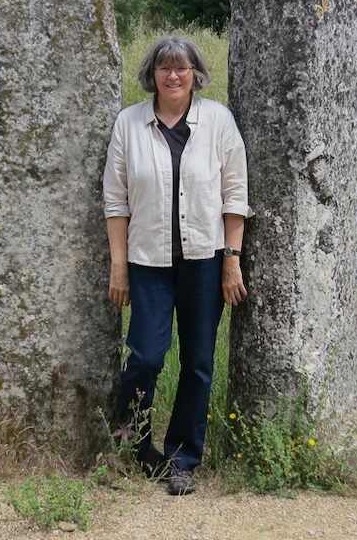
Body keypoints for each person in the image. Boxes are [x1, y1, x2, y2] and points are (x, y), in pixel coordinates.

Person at [102, 35, 252, 496]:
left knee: (199, 361)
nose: (173, 76)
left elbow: (235, 194)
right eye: (165, 68)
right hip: (147, 262)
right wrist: (118, 266)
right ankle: (137, 444)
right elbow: (115, 200)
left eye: (182, 68)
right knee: (146, 355)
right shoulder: (129, 123)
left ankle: (183, 458)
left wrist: (231, 259)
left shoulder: (218, 121)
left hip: (205, 261)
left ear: (195, 74)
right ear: (152, 74)